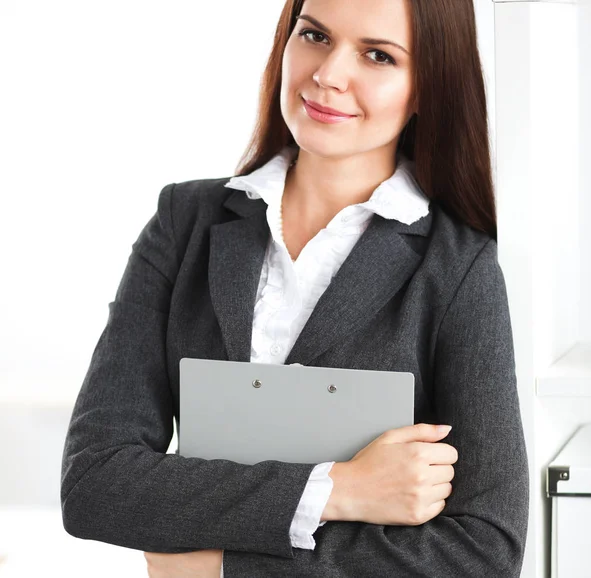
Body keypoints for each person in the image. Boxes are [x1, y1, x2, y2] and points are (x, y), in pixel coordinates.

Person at [60, 0, 530, 576]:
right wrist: (340, 489)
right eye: (314, 36)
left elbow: (485, 550)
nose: (329, 74)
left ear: (428, 87)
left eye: (378, 55)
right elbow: (95, 482)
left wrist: (222, 566)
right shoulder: (184, 222)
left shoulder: (459, 268)